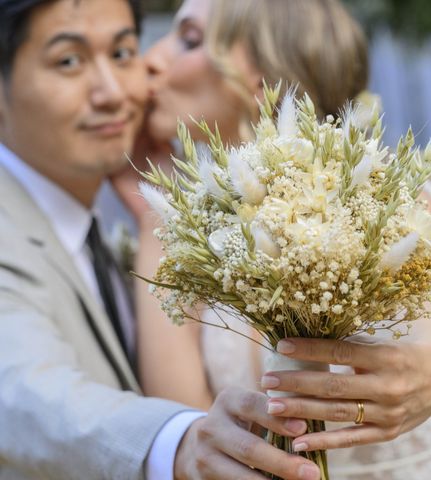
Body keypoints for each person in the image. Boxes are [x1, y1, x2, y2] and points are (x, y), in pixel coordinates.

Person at [131, 0, 431, 479]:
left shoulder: (394, 202)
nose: (150, 59)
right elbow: (186, 426)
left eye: (186, 38)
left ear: (258, 76)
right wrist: (155, 218)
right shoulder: (202, 229)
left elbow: (426, 337)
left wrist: (429, 369)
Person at [0, 1, 324, 479]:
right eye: (68, 61)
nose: (112, 93)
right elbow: (23, 391)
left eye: (123, 52)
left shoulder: (109, 232)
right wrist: (177, 442)